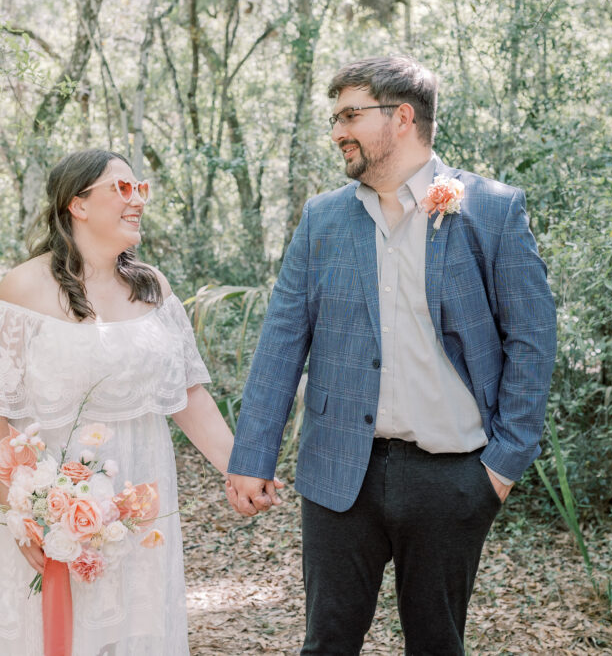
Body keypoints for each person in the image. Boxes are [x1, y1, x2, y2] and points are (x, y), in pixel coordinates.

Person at [226, 56, 557, 655]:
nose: (337, 132)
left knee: (436, 645)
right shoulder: (321, 218)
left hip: (454, 475)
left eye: (350, 115)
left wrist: (502, 467)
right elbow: (282, 337)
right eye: (335, 118)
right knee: (326, 643)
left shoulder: (492, 209)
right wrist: (252, 454)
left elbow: (532, 341)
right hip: (337, 473)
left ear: (402, 117)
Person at [0, 149, 248, 655]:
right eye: (122, 188)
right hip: (48, 501)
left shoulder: (153, 289)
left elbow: (188, 395)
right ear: (76, 204)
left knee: (133, 635)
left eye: (140, 189)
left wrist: (241, 468)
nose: (137, 200)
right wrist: (22, 515)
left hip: (138, 501)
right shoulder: (22, 289)